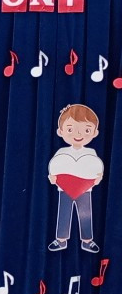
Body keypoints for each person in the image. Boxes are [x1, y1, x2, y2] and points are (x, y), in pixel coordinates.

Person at [48, 103, 103, 252]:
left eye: (86, 130)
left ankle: (87, 240)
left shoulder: (91, 152)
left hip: (85, 190)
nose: (78, 135)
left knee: (86, 215)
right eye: (71, 129)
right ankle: (60, 240)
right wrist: (53, 178)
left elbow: (96, 170)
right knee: (63, 213)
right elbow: (55, 168)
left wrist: (97, 179)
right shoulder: (62, 151)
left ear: (94, 133)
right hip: (64, 189)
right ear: (61, 131)